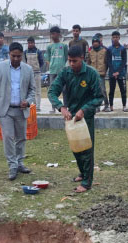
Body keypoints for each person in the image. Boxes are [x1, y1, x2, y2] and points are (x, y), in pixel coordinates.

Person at [48, 45, 104, 193]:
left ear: (82, 58)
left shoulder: (91, 74)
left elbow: (99, 97)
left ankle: (86, 183)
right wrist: (61, 107)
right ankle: (83, 173)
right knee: (75, 147)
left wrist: (84, 110)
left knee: (86, 149)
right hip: (70, 116)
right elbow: (52, 91)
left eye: (75, 61)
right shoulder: (65, 72)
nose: (72, 64)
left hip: (86, 117)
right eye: (69, 61)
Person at [0, 42, 36, 181]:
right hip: (5, 110)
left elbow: (32, 90)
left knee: (21, 138)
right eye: (13, 56)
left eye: (18, 56)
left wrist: (28, 101)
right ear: (9, 54)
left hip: (21, 110)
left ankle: (20, 163)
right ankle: (12, 165)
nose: (16, 59)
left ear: (22, 56)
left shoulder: (28, 69)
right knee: (8, 137)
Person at [44, 26, 68, 114]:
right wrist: (50, 65)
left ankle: (66, 106)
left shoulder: (64, 45)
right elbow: (47, 58)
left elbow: (66, 57)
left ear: (58, 34)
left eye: (54, 33)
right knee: (52, 89)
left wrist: (63, 66)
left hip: (62, 71)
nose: (52, 36)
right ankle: (53, 107)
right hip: (52, 71)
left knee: (65, 89)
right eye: (51, 34)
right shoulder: (49, 46)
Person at [86, 34, 110, 112]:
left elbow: (106, 62)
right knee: (94, 91)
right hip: (93, 74)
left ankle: (106, 105)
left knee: (103, 90)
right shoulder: (90, 52)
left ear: (99, 43)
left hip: (101, 73)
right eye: (94, 42)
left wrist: (105, 70)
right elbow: (88, 63)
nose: (95, 43)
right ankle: (97, 106)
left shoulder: (104, 51)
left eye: (96, 42)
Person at [108, 31, 128, 112]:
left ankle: (124, 106)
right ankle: (111, 106)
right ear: (112, 38)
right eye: (114, 37)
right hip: (112, 73)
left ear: (119, 38)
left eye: (117, 37)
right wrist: (113, 72)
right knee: (111, 90)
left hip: (121, 73)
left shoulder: (123, 49)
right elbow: (108, 61)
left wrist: (118, 72)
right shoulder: (109, 49)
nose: (115, 39)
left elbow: (124, 61)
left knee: (123, 90)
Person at [24, 36, 44, 111]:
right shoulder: (25, 52)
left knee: (37, 90)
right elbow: (25, 61)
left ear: (34, 43)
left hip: (37, 73)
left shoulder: (38, 51)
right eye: (29, 43)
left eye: (31, 43)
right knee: (30, 90)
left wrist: (37, 68)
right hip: (28, 74)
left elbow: (41, 62)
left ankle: (38, 107)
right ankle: (33, 106)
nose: (30, 44)